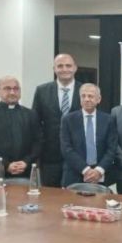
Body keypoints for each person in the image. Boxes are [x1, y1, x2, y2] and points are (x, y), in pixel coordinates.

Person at [0, 76, 42, 181]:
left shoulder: (31, 114)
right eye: (7, 88)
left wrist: (26, 161)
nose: (12, 92)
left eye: (16, 88)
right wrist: (5, 164)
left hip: (25, 172)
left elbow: (38, 142)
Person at [32, 54, 81, 187]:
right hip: (49, 156)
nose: (64, 69)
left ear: (75, 68)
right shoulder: (42, 91)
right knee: (50, 195)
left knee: (76, 195)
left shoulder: (85, 91)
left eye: (68, 66)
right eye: (60, 66)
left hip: (79, 156)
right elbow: (35, 123)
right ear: (54, 69)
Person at [60, 84, 118, 187]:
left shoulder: (108, 120)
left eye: (90, 96)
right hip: (74, 175)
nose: (86, 99)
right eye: (83, 96)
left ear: (98, 99)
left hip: (100, 175)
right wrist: (86, 170)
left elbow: (112, 148)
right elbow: (66, 149)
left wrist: (98, 170)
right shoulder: (68, 120)